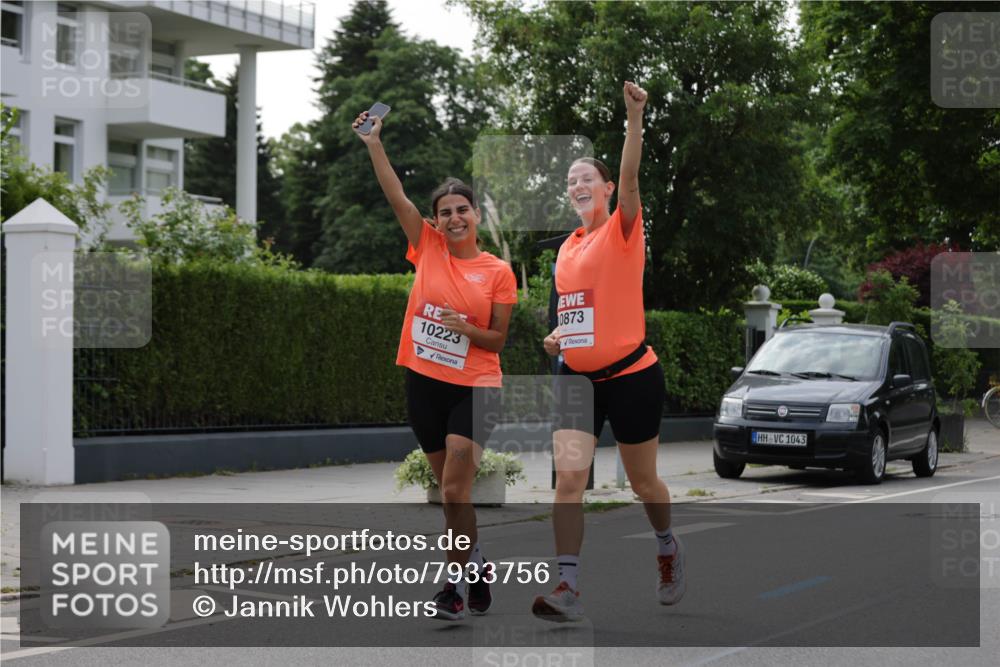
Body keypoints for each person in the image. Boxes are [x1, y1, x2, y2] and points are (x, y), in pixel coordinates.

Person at [353, 109, 518, 621]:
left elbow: (497, 339)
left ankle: (450, 585)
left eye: (461, 209)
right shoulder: (425, 247)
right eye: (444, 212)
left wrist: (462, 328)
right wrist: (373, 143)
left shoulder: (497, 271)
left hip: (476, 386)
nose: (453, 218)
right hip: (424, 383)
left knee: (452, 491)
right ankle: (478, 565)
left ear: (475, 215)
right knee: (452, 502)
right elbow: (395, 195)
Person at [532, 82, 684, 623]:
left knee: (644, 483)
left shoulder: (622, 229)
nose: (577, 184)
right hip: (575, 377)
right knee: (569, 480)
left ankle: (666, 543)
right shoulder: (567, 249)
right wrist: (555, 339)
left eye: (586, 177)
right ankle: (567, 585)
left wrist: (635, 119)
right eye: (570, 179)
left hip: (632, 375)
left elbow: (631, 178)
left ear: (603, 188)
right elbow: (568, 318)